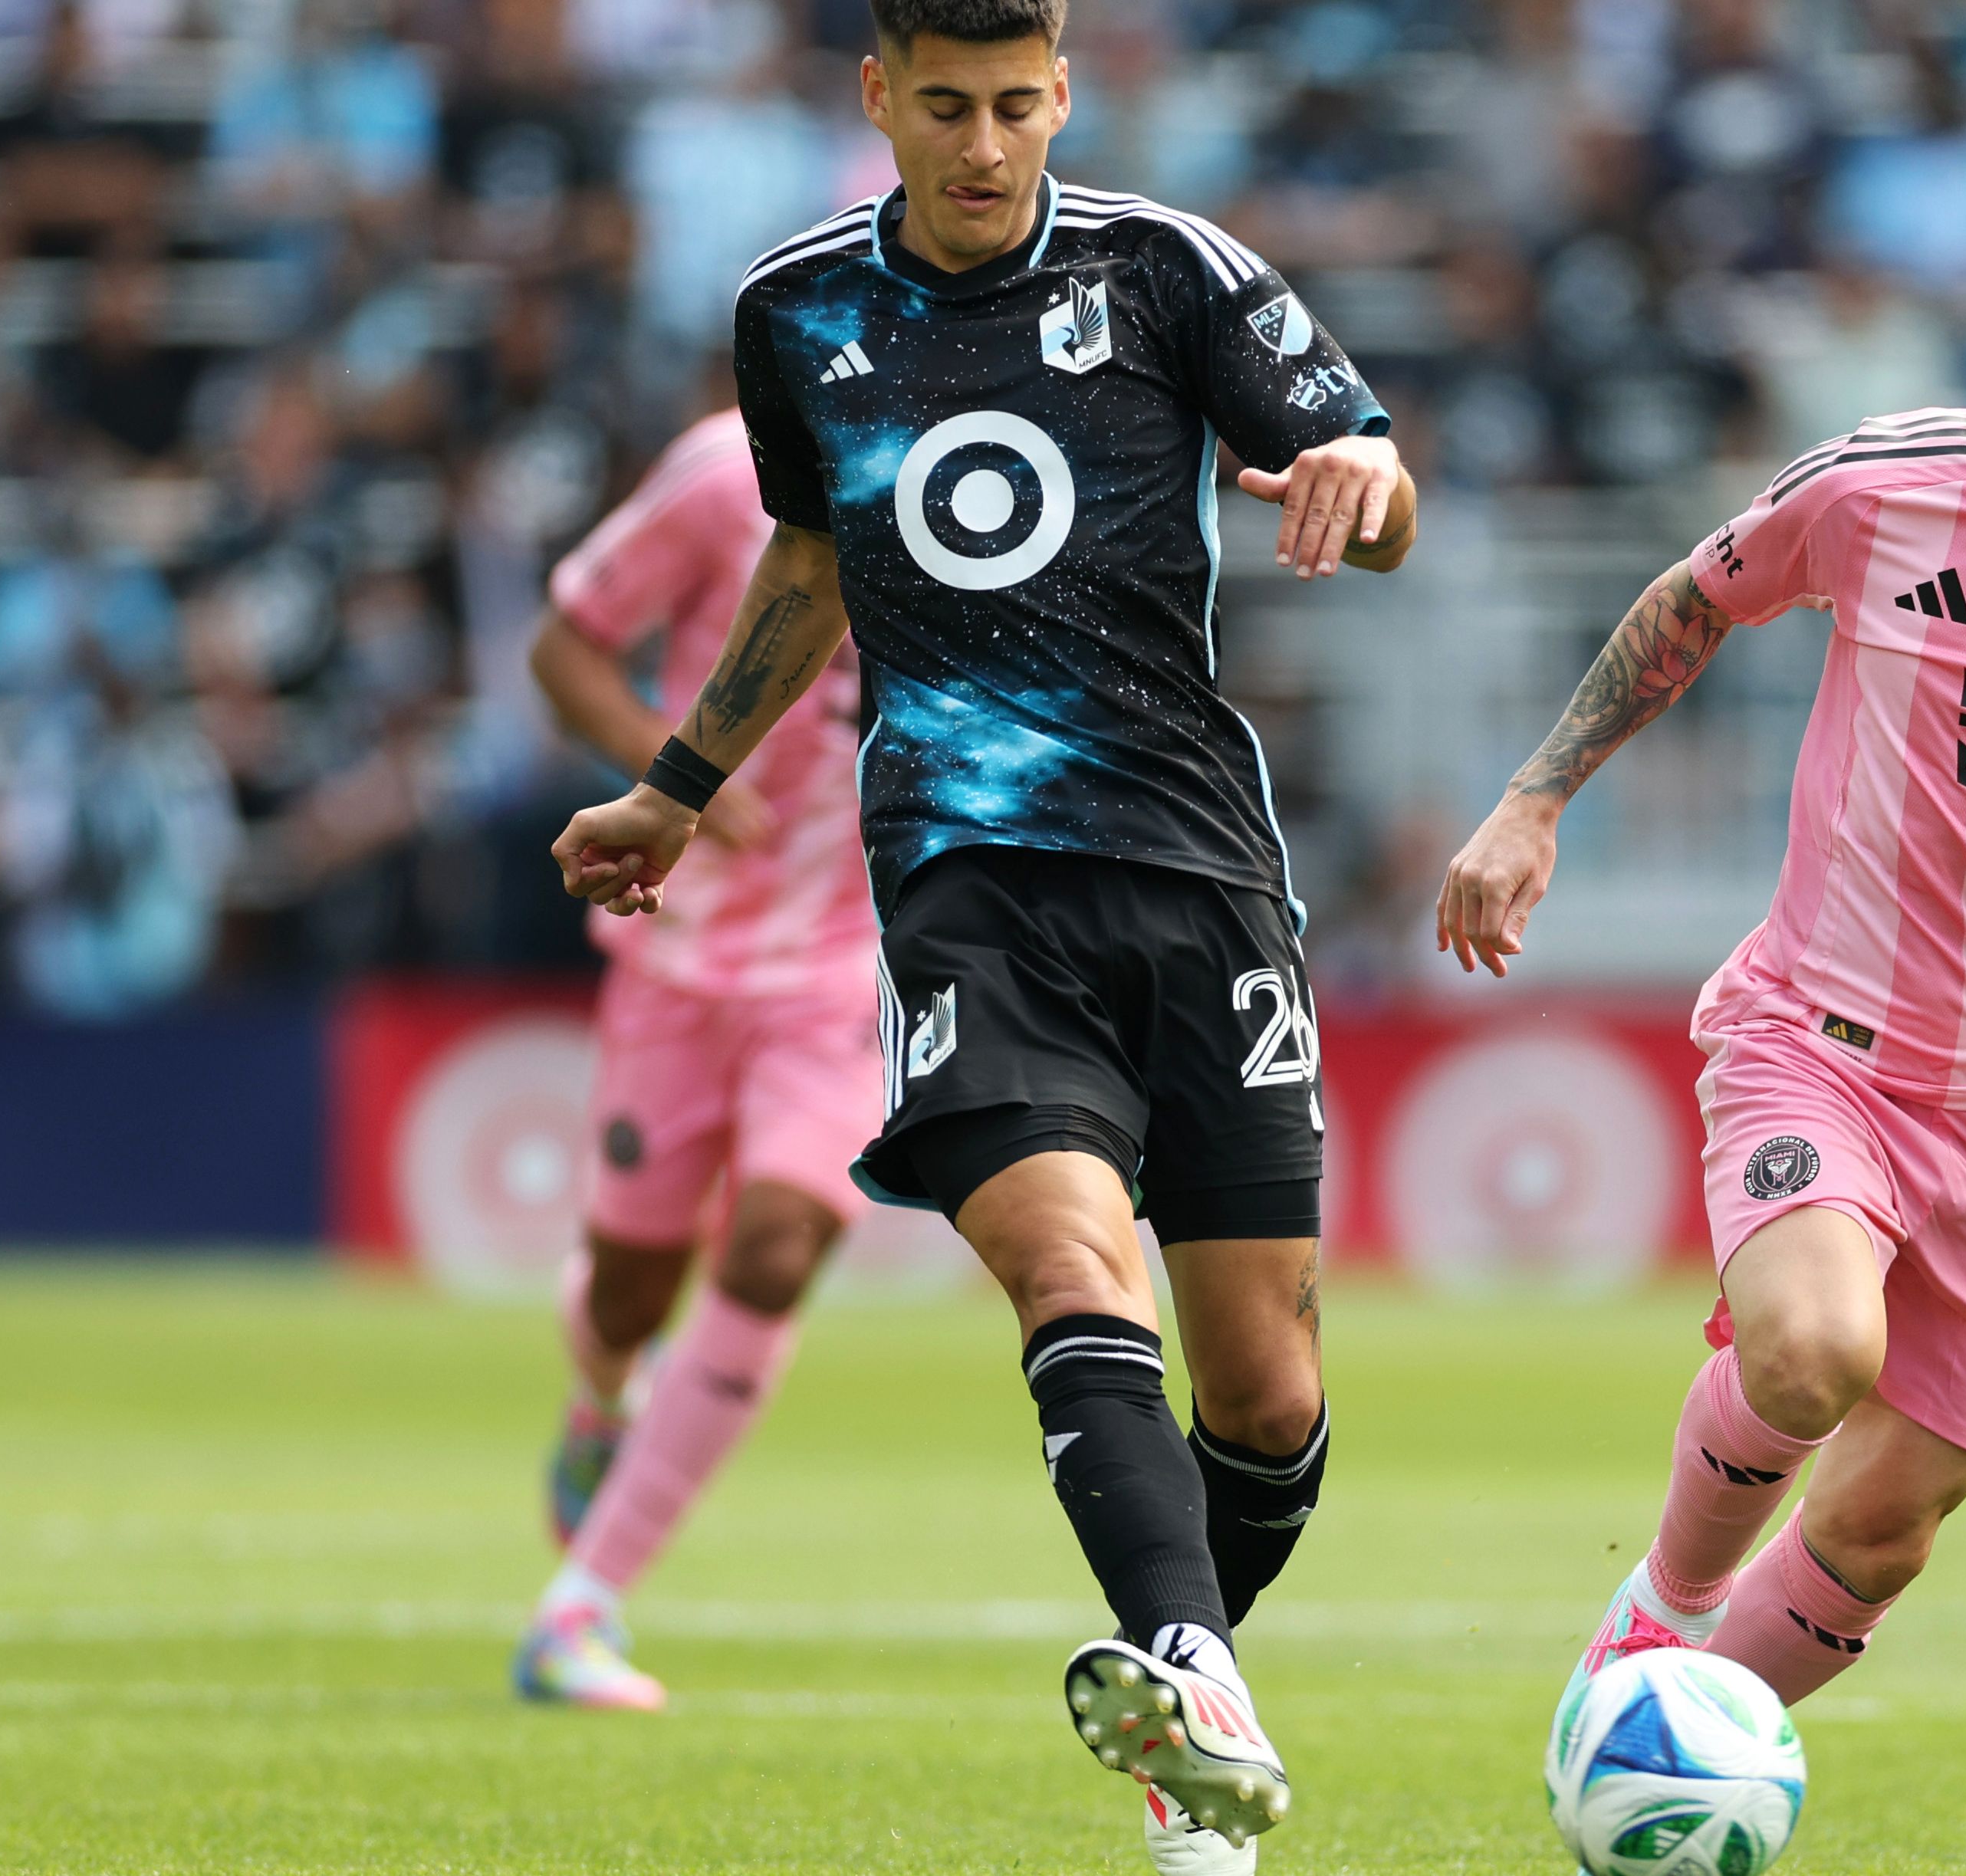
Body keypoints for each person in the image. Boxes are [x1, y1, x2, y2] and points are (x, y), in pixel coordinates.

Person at [545, 2, 1415, 1868]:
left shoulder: (1170, 271)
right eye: (943, 108)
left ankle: (1195, 1707)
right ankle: (1192, 1685)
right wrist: (679, 787)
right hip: (966, 887)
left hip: (1199, 878)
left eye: (1017, 106)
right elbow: (807, 558)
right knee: (1062, 1267)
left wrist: (1367, 481)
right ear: (877, 97)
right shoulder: (792, 312)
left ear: (1063, 93)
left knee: (1265, 1393)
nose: (983, 146)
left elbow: (1376, 473)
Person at [1437, 182, 1966, 1719]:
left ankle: (1657, 1751)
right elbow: (1689, 605)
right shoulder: (1877, 487)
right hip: (1819, 1036)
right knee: (1815, 1353)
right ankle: (1655, 1621)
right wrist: (1530, 801)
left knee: (1887, 1524)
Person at [504, 406, 882, 1713]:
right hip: (676, 948)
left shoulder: (985, 467)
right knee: (626, 1292)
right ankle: (605, 1391)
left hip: (848, 957)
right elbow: (565, 647)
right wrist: (670, 777)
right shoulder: (727, 472)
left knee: (780, 1240)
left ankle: (581, 1606)